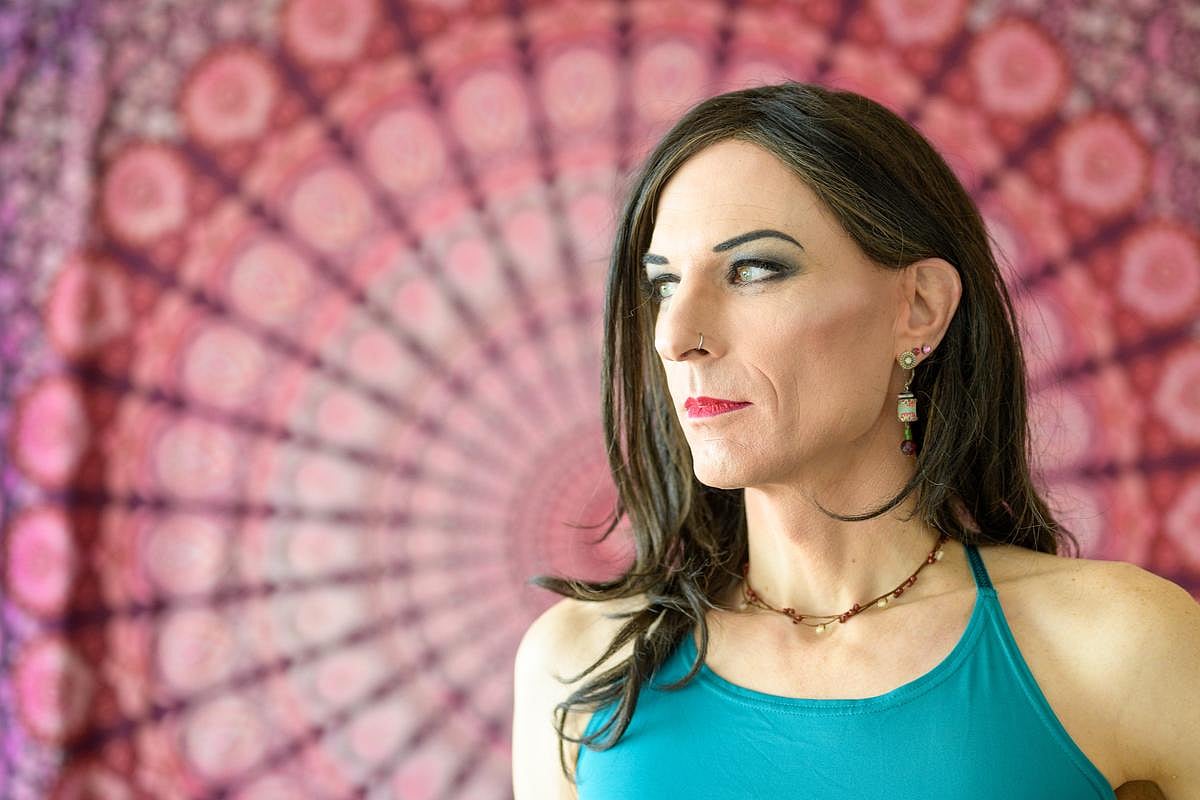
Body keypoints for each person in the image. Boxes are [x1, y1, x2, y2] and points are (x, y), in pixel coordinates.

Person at [511, 82, 1198, 799]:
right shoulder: (579, 667)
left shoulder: (1123, 647)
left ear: (919, 307)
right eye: (663, 286)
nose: (676, 336)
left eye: (753, 270)